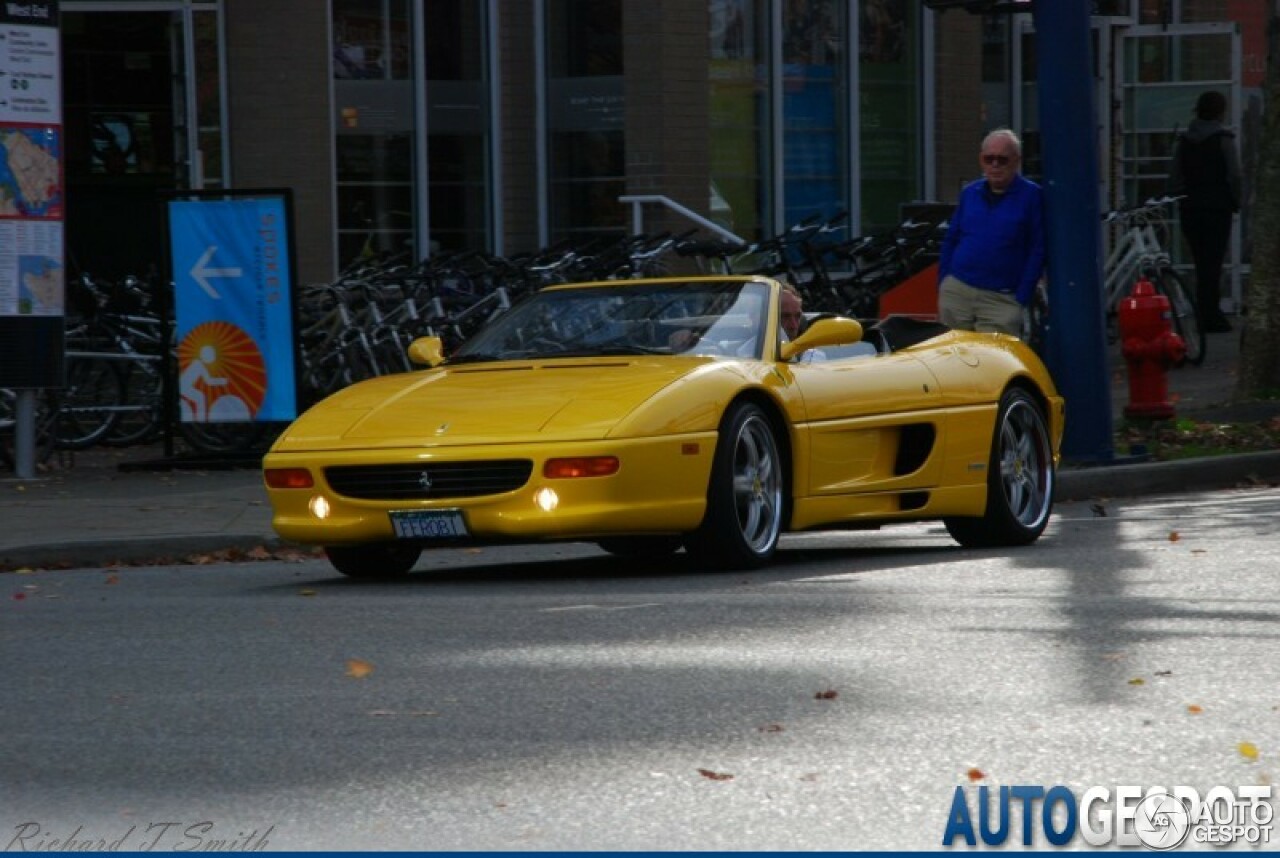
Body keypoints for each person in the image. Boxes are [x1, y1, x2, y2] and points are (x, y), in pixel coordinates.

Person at [937, 128, 1046, 337]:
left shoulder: (1032, 196)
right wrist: (944, 281)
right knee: (953, 359)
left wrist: (1021, 296)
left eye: (1002, 159)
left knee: (992, 364)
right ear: (981, 160)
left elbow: (1037, 249)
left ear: (1016, 161)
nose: (995, 165)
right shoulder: (970, 193)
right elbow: (952, 238)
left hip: (1002, 299)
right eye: (989, 159)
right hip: (958, 291)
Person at [1169, 90, 1241, 333]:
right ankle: (1211, 313)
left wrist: (1180, 197)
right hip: (1217, 208)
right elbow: (1234, 175)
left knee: (1201, 261)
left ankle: (1204, 311)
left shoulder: (1185, 141)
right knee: (1214, 261)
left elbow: (1175, 176)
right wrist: (1236, 200)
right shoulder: (1223, 139)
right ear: (1220, 111)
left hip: (1190, 208)